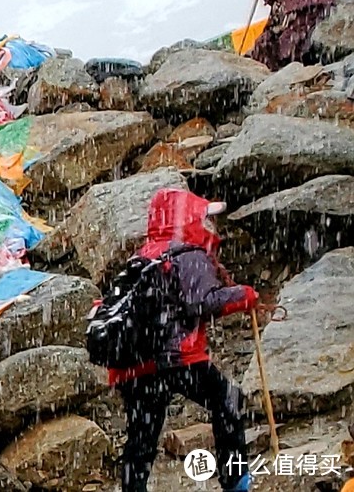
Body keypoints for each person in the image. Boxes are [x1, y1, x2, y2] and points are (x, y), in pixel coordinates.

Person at [111, 188, 260, 492]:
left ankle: (132, 488)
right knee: (227, 400)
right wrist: (243, 295)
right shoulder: (189, 254)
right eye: (206, 219)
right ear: (188, 219)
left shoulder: (141, 256)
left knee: (142, 433)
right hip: (178, 356)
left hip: (135, 363)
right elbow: (201, 302)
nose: (211, 227)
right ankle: (236, 480)